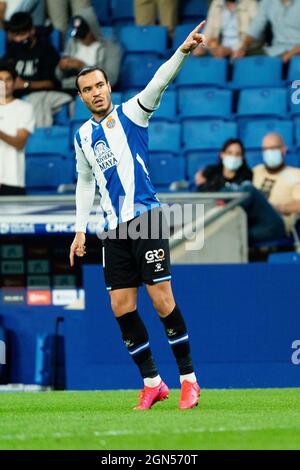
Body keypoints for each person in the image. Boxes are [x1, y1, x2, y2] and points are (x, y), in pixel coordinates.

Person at [69, 21, 207, 410]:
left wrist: (182, 50)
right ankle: (152, 382)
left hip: (146, 219)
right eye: (87, 90)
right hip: (111, 231)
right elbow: (84, 184)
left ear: (108, 87)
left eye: (99, 86)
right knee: (121, 307)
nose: (95, 93)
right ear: (80, 97)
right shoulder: (82, 137)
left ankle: (189, 380)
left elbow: (159, 81)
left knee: (162, 300)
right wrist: (80, 230)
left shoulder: (133, 113)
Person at [195, 139, 285, 244]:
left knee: (244, 189)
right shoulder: (210, 173)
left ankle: (219, 212)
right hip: (214, 223)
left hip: (239, 223)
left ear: (242, 157)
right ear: (222, 154)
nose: (233, 157)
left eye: (237, 154)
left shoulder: (248, 176)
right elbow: (201, 198)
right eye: (230, 153)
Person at [56, 7, 122, 92]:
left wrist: (82, 66)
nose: (81, 39)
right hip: (70, 90)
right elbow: (58, 77)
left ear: (92, 30)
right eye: (78, 36)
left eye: (83, 35)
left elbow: (112, 80)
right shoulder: (72, 43)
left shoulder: (110, 48)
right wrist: (61, 68)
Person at [3, 12, 59, 97]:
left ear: (32, 30)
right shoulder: (13, 49)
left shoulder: (46, 50)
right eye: (15, 35)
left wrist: (25, 84)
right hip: (13, 97)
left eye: (22, 34)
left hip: (38, 95)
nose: (18, 39)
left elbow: (51, 84)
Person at [253, 133, 300, 233]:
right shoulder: (255, 171)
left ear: (283, 149)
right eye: (265, 149)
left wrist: (278, 208)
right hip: (254, 221)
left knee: (248, 189)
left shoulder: (296, 175)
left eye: (273, 148)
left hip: (278, 222)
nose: (269, 152)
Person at [0, 61, 35, 195]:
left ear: (14, 82)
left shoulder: (24, 108)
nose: (4, 84)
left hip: (13, 180)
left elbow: (20, 143)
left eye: (8, 80)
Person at [234, 0, 300, 63]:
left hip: (297, 51)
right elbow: (256, 26)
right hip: (275, 51)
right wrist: (244, 46)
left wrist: (291, 54)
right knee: (239, 59)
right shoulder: (268, 2)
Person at [193, 0, 258, 58]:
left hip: (243, 49)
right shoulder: (216, 3)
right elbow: (208, 30)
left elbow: (256, 34)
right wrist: (202, 46)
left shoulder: (251, 3)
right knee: (197, 52)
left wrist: (231, 50)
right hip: (219, 48)